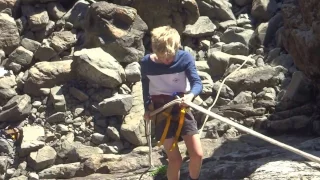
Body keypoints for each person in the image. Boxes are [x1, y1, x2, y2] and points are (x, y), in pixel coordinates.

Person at [141, 25, 203, 180]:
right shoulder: (146, 64)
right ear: (154, 51)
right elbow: (145, 88)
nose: (167, 60)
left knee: (197, 154)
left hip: (182, 106)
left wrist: (190, 96)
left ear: (177, 47)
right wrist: (147, 109)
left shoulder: (185, 58)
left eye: (170, 56)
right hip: (161, 111)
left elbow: (197, 83)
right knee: (175, 160)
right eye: (162, 57)